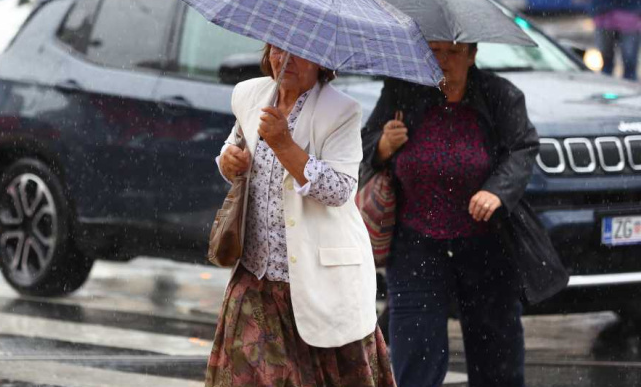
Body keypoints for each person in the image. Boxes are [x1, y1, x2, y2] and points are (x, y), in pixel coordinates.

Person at [207, 44, 395, 387]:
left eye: (300, 52)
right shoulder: (250, 95)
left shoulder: (341, 111)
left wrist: (283, 144)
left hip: (317, 281)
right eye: (278, 49)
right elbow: (233, 147)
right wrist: (229, 160)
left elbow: (340, 189)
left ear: (322, 61)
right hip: (256, 278)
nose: (285, 59)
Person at [361, 42, 539, 387]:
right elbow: (367, 144)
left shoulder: (499, 94)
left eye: (454, 52)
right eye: (435, 51)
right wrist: (383, 145)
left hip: (488, 245)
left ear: (472, 55)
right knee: (416, 355)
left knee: (496, 359)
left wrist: (497, 191)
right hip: (416, 246)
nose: (443, 60)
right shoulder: (402, 89)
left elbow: (523, 147)